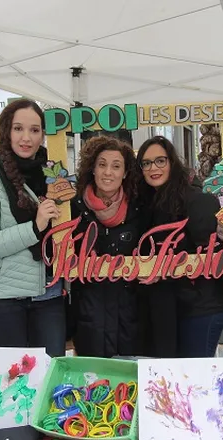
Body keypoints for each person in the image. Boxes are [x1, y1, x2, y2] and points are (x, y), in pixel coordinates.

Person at [0, 99, 65, 356]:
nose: (26, 138)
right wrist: (34, 227)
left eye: (34, 130)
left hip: (49, 294)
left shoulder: (55, 176)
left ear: (43, 135)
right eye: (18, 128)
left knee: (52, 370)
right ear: (6, 132)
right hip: (3, 301)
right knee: (18, 377)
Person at [137, 136, 223, 358]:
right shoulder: (150, 201)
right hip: (172, 306)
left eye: (160, 161)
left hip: (202, 306)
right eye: (146, 163)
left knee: (194, 373)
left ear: (172, 162)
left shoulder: (198, 200)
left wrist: (163, 270)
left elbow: (213, 257)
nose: (153, 168)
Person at [69, 136, 146, 358]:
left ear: (125, 172)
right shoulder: (72, 209)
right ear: (92, 169)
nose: (108, 172)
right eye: (102, 165)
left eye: (116, 166)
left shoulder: (139, 209)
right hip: (88, 317)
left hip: (129, 318)